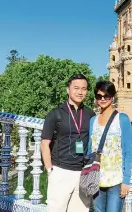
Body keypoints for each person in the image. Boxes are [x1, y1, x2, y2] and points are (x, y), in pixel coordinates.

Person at [41, 74, 95, 212]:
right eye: (76, 88)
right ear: (68, 90)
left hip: (83, 172)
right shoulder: (55, 114)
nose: (80, 92)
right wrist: (49, 171)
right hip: (60, 171)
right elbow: (44, 144)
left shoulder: (90, 114)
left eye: (84, 88)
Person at [88, 80, 132, 212]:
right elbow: (91, 149)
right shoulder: (93, 121)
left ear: (112, 97)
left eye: (106, 96)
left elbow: (128, 152)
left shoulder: (122, 119)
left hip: (116, 180)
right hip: (96, 179)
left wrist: (126, 180)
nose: (102, 99)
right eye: (99, 96)